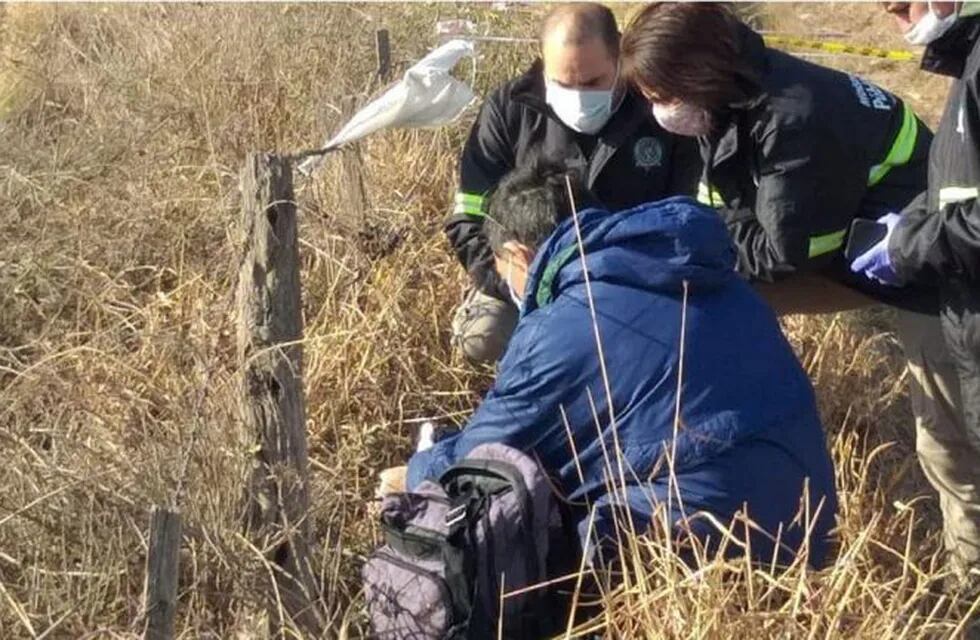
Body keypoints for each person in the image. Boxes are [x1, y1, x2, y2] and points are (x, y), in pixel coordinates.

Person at [620, 2, 974, 581]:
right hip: (856, 247)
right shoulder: (730, 101)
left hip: (931, 273)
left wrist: (709, 252)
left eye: (662, 95)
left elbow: (783, 255)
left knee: (950, 444)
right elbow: (732, 215)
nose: (660, 111)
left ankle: (969, 579)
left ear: (698, 75)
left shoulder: (793, 116)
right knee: (705, 296)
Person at [411, 157, 837, 568]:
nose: (509, 287)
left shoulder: (560, 327)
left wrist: (418, 470)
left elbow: (477, 461)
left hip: (695, 546)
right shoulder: (717, 276)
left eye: (505, 273)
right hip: (812, 529)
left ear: (519, 255)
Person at [445, 2, 700, 365]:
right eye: (563, 82)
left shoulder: (659, 109)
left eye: (593, 82)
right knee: (483, 336)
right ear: (543, 62)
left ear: (620, 59)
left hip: (639, 280)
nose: (578, 94)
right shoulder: (508, 109)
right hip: (529, 280)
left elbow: (688, 216)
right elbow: (469, 218)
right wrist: (518, 278)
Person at [858, 1, 980, 584]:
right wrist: (910, 222)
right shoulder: (968, 65)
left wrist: (909, 245)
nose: (890, 7)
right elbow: (957, 190)